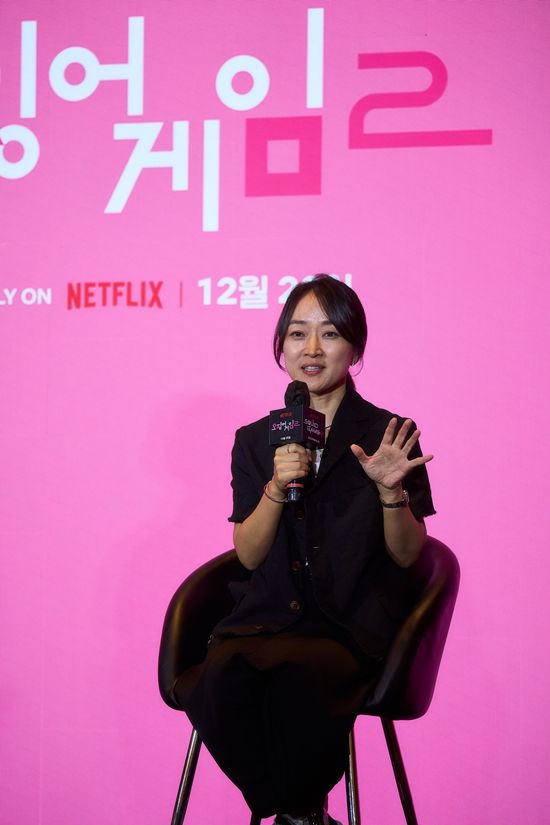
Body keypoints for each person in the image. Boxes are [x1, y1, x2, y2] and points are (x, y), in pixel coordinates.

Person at [174, 274, 435, 825]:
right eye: (297, 334)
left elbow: (410, 555)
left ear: (355, 349)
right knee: (218, 678)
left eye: (329, 333)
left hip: (350, 623)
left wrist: (391, 493)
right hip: (268, 616)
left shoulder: (389, 434)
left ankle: (294, 814)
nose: (312, 349)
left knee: (300, 679)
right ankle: (302, 813)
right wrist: (275, 485)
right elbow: (248, 555)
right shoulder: (254, 440)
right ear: (282, 346)